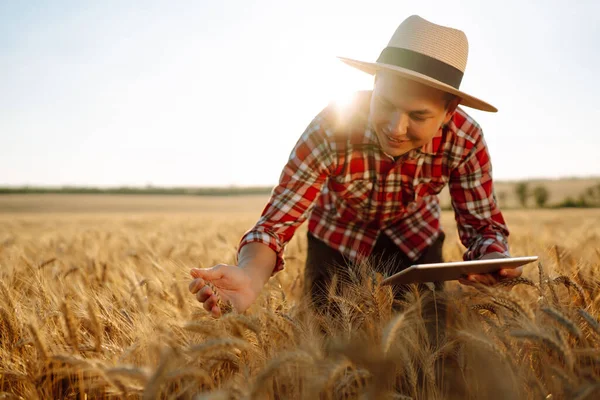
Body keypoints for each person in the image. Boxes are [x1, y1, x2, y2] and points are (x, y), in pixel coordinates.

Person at [189, 15, 522, 318]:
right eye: (387, 104)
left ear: (449, 112)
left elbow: (482, 227)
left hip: (416, 239)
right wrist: (249, 276)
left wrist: (492, 261)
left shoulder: (465, 138)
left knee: (425, 347)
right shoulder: (331, 126)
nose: (395, 127)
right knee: (328, 345)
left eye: (418, 116)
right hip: (335, 240)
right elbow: (276, 223)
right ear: (375, 83)